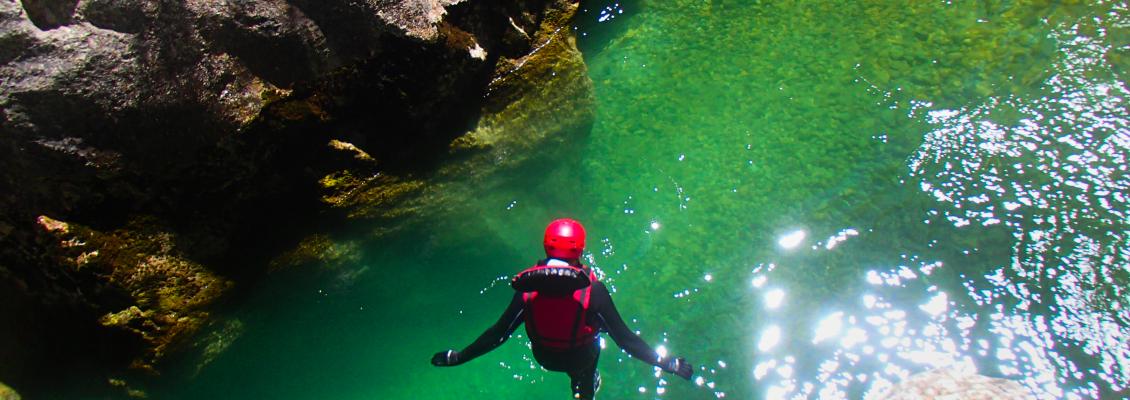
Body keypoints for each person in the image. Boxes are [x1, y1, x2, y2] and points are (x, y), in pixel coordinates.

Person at [431, 218, 694, 399]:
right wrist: (668, 363)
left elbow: (497, 335)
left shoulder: (529, 290)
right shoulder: (594, 292)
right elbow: (626, 341)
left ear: (546, 246)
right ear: (580, 250)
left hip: (545, 357)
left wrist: (458, 357)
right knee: (589, 355)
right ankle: (584, 389)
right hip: (581, 358)